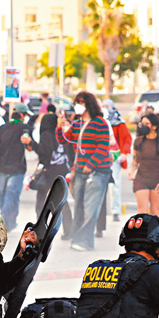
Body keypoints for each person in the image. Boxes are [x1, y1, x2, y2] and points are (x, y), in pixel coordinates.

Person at [56, 91, 113, 251]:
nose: (78, 105)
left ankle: (86, 241)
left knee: (91, 207)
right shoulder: (78, 123)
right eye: (76, 102)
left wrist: (91, 163)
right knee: (79, 205)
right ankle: (76, 238)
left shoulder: (100, 122)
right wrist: (60, 126)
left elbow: (103, 145)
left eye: (81, 102)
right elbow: (64, 140)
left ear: (89, 104)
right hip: (80, 170)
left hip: (97, 171)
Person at [0, 102, 33, 231]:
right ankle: (5, 223)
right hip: (17, 168)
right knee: (12, 196)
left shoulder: (2, 127)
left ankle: (9, 223)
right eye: (25, 114)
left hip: (2, 166)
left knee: (4, 195)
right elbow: (30, 147)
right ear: (21, 115)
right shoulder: (25, 128)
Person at [31, 112, 73, 236]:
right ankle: (69, 230)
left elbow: (44, 153)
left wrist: (32, 144)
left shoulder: (46, 134)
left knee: (41, 202)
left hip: (49, 172)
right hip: (62, 171)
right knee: (62, 202)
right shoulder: (61, 134)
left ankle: (40, 230)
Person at [130, 113, 159, 216]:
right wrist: (131, 172)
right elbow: (135, 160)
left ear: (154, 126)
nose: (143, 126)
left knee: (155, 212)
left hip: (157, 178)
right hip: (141, 178)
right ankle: (142, 232)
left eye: (146, 123)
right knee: (142, 211)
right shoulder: (138, 141)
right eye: (142, 123)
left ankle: (155, 232)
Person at [104, 99, 132, 222]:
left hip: (115, 157)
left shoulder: (119, 123)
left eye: (108, 106)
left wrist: (124, 153)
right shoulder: (99, 122)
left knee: (115, 185)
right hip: (101, 157)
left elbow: (127, 139)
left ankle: (115, 211)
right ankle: (101, 211)